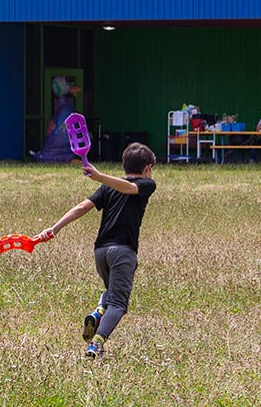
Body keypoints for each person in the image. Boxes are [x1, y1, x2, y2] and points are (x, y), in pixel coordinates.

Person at [34, 142, 157, 359]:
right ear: (147, 168)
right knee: (118, 304)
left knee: (110, 292)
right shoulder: (147, 184)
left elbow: (82, 207)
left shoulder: (109, 187)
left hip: (100, 251)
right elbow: (130, 188)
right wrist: (100, 177)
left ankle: (98, 312)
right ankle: (96, 344)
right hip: (123, 251)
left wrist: (54, 228)